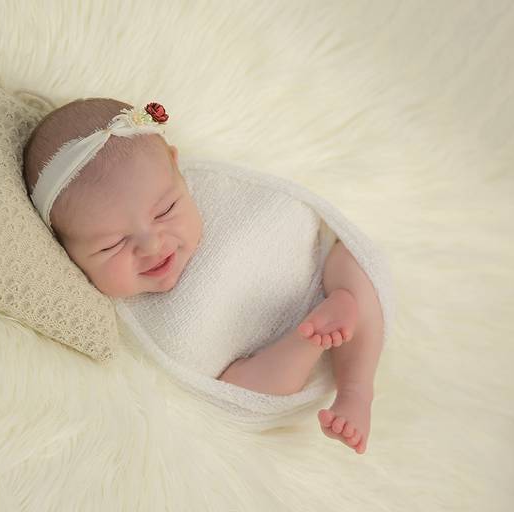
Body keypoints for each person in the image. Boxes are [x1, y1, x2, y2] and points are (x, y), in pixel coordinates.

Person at [22, 98, 384, 455]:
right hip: (266, 362)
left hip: (320, 278)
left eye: (165, 210)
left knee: (353, 259)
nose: (152, 246)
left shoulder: (211, 192)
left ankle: (355, 389)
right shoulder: (113, 311)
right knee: (239, 391)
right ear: (65, 248)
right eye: (113, 245)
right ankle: (307, 342)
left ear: (176, 168)